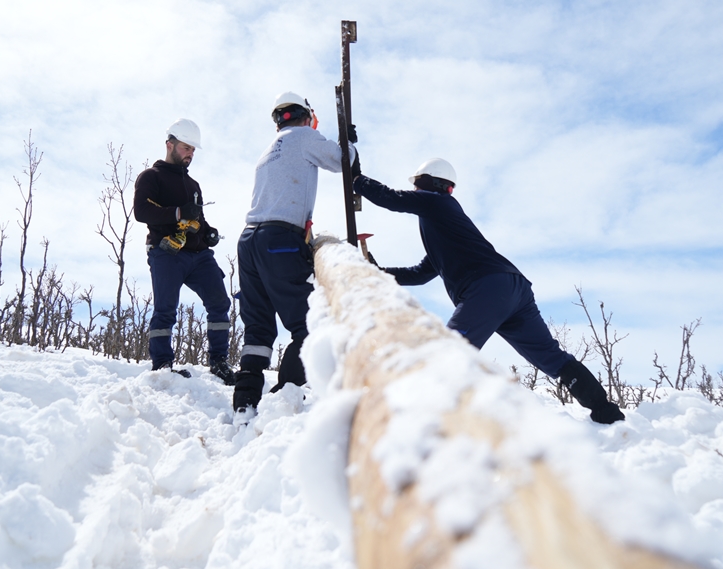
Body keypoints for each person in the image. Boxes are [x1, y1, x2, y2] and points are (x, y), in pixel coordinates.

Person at [353, 158, 625, 424]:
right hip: (514, 288)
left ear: (429, 184)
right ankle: (605, 412)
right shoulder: (445, 226)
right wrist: (379, 272)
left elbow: (390, 198)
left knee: (449, 351)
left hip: (489, 288)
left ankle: (432, 422)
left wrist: (355, 179)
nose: (414, 190)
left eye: (417, 184)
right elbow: (421, 273)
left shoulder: (437, 202)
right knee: (550, 356)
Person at [233, 91, 357, 413]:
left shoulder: (268, 152)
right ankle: (282, 400)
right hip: (280, 239)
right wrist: (350, 143)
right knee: (310, 322)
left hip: (249, 241)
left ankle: (245, 404)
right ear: (305, 116)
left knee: (258, 329)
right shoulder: (304, 136)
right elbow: (342, 159)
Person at [133, 118, 234, 382]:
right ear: (170, 145)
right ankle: (163, 366)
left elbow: (196, 218)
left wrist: (208, 231)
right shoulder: (150, 177)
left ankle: (219, 362)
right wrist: (177, 212)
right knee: (166, 308)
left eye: (192, 150)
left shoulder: (194, 185)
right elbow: (141, 212)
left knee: (220, 302)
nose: (190, 154)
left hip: (199, 256)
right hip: (166, 252)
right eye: (185, 148)